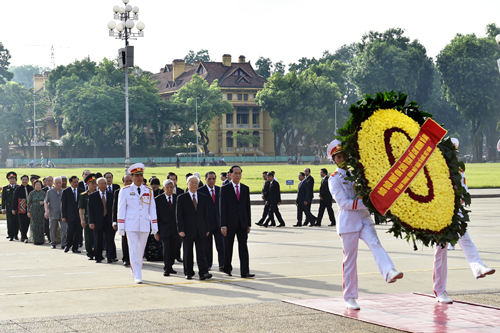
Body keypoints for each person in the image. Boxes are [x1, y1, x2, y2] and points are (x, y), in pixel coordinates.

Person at [327, 139, 403, 310]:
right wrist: (368, 203)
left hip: (364, 218)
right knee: (350, 260)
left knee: (375, 243)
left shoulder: (357, 173)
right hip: (348, 222)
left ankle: (389, 271)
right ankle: (350, 297)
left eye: (344, 155)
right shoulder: (334, 179)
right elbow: (344, 203)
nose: (342, 159)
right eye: (339, 157)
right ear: (334, 160)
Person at [433, 138, 495, 304]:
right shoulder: (436, 166)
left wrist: (461, 199)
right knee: (441, 249)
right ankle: (439, 290)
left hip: (456, 211)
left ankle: (478, 266)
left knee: (465, 238)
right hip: (440, 212)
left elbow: (464, 187)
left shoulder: (459, 167)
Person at [117, 163, 158, 284]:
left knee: (141, 250)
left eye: (141, 175)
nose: (140, 178)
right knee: (134, 249)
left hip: (144, 224)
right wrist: (121, 227)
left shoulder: (149, 191)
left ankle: (135, 268)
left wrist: (154, 226)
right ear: (132, 177)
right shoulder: (125, 191)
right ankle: (138, 273)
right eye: (137, 175)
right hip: (131, 224)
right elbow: (121, 209)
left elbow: (152, 209)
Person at [220, 165, 254, 278]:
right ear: (230, 175)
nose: (238, 175)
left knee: (243, 247)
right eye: (235, 173)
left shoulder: (245, 188)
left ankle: (245, 271)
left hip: (242, 223)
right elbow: (222, 208)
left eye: (239, 173)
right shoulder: (225, 189)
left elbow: (247, 207)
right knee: (228, 247)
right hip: (229, 224)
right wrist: (223, 225)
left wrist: (248, 223)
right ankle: (227, 269)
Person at [177, 176, 212, 280]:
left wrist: (207, 228)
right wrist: (180, 229)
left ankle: (203, 272)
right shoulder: (182, 198)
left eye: (196, 183)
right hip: (187, 230)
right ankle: (188, 272)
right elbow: (179, 215)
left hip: (201, 229)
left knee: (202, 252)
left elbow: (206, 214)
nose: (194, 185)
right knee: (188, 253)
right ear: (187, 184)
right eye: (191, 182)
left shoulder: (203, 197)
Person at [198, 171, 224, 272]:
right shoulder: (200, 191)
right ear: (205, 179)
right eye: (209, 179)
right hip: (207, 224)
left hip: (219, 223)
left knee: (221, 245)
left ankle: (222, 264)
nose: (211, 181)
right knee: (207, 246)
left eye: (213, 179)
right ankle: (208, 264)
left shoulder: (220, 190)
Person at [88, 177, 115, 263]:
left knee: (109, 239)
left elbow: (114, 209)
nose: (104, 185)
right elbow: (90, 210)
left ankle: (110, 257)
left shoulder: (111, 195)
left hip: (108, 220)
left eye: (105, 184)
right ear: (97, 185)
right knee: (98, 240)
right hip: (97, 221)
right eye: (102, 184)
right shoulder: (93, 196)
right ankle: (98, 257)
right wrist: (91, 222)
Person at [154, 179, 178, 276]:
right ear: (163, 188)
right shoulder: (158, 199)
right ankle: (166, 267)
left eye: (171, 187)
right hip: (164, 229)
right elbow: (156, 216)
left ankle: (171, 265)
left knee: (174, 248)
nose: (169, 189)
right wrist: (156, 231)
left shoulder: (177, 198)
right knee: (167, 248)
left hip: (175, 229)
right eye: (167, 187)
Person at [112, 174, 133, 267]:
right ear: (123, 182)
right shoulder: (118, 192)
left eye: (130, 181)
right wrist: (115, 221)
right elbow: (115, 207)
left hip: (134, 220)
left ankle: (134, 259)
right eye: (126, 181)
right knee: (125, 240)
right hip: (124, 221)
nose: (128, 183)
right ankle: (125, 259)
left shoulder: (137, 191)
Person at [62, 176, 83, 253]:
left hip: (79, 216)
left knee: (78, 232)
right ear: (70, 182)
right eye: (74, 182)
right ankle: (68, 245)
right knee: (70, 230)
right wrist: (63, 216)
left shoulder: (81, 191)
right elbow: (63, 205)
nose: (76, 183)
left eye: (77, 182)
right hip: (69, 215)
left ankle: (75, 247)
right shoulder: (66, 191)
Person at [79, 174, 97, 260]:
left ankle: (97, 252)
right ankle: (89, 253)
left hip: (97, 218)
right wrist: (82, 219)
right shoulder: (83, 195)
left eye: (95, 183)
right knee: (88, 237)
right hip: (87, 218)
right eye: (92, 183)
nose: (94, 185)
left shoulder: (99, 194)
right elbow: (81, 208)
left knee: (98, 237)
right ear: (88, 184)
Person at [12, 175, 34, 243]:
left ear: (28, 180)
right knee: (22, 223)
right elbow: (14, 199)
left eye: (26, 179)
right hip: (21, 208)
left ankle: (25, 235)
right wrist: (13, 209)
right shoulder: (18, 189)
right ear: (21, 180)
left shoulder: (31, 188)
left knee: (27, 222)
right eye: (23, 179)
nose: (24, 181)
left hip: (29, 208)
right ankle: (23, 236)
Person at [45, 177, 65, 249]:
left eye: (60, 183)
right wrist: (46, 211)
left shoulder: (64, 191)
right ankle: (53, 242)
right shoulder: (49, 192)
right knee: (53, 229)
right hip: (53, 213)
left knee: (64, 228)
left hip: (63, 214)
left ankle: (64, 243)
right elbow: (46, 202)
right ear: (54, 183)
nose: (58, 184)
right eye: (57, 183)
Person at [26, 179, 46, 245]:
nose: (38, 186)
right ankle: (36, 240)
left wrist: (43, 202)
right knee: (34, 226)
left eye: (39, 185)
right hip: (34, 211)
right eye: (36, 185)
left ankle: (41, 240)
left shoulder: (43, 193)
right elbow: (28, 203)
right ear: (34, 186)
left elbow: (47, 201)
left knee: (41, 226)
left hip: (41, 212)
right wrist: (29, 211)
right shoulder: (31, 193)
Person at [2, 171, 19, 241]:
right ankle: (10, 235)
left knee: (17, 222)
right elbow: (3, 199)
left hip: (17, 208)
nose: (12, 180)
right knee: (10, 222)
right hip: (9, 208)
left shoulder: (18, 187)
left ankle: (16, 234)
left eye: (13, 179)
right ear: (8, 180)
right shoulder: (5, 188)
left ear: (16, 179)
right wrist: (3, 208)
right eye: (10, 179)